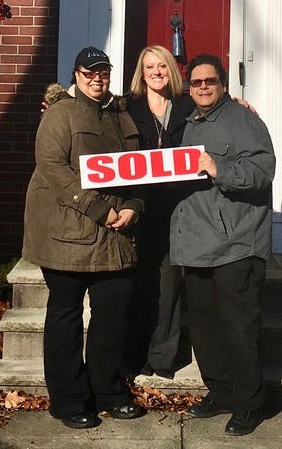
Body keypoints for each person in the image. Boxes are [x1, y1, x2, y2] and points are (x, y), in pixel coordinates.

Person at [21, 47, 147, 430]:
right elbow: (54, 169)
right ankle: (68, 399)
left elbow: (138, 169)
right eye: (89, 72)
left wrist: (134, 207)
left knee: (112, 315)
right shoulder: (59, 115)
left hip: (114, 235)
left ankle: (107, 392)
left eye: (103, 71)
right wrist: (97, 209)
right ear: (76, 75)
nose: (97, 78)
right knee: (66, 317)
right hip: (67, 235)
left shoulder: (121, 114)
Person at [170, 52, 275, 437]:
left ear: (223, 84)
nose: (201, 88)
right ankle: (221, 392)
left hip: (236, 243)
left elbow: (262, 173)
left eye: (209, 82)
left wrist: (218, 168)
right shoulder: (187, 122)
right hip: (195, 243)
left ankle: (250, 404)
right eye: (195, 83)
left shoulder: (244, 121)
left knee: (239, 326)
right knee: (204, 326)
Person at [123, 44, 196, 378]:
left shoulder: (188, 105)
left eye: (162, 67)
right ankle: (135, 354)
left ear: (171, 70)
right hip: (138, 208)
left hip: (176, 209)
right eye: (149, 66)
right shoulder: (126, 106)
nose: (155, 72)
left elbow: (219, 110)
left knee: (169, 284)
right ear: (142, 72)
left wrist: (239, 102)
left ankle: (163, 357)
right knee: (138, 283)